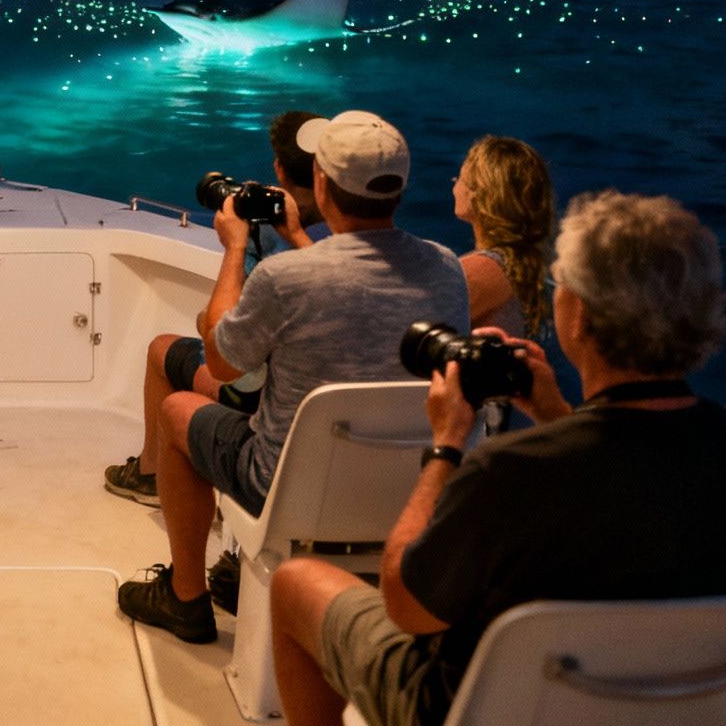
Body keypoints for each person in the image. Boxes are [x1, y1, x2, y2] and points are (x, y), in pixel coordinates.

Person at [267, 191, 726, 726]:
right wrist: (558, 416)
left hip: (489, 708)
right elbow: (626, 478)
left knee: (297, 584)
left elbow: (406, 605)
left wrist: (447, 442)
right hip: (677, 712)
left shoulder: (510, 470)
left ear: (582, 318)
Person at [115, 111, 470, 644]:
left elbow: (220, 363)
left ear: (321, 182)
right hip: (411, 487)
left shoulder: (286, 278)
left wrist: (236, 247)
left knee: (178, 411)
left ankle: (184, 597)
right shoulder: (446, 268)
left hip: (288, 488)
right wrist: (301, 237)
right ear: (400, 187)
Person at [104, 109, 328, 508]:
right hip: (339, 431)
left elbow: (224, 358)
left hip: (269, 412)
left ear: (279, 166)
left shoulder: (279, 264)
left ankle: (150, 474)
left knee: (164, 351)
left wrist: (237, 247)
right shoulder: (411, 265)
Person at [451, 135, 554, 337]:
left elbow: (401, 327)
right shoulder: (532, 265)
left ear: (478, 194)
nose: (455, 187)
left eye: (460, 178)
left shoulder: (478, 272)